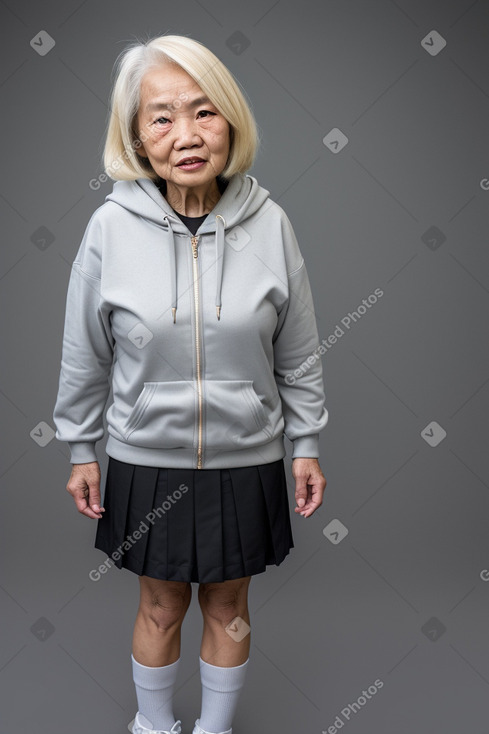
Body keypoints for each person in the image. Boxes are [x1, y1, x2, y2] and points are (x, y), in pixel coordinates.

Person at [52, 33, 328, 734]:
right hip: (148, 455)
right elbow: (84, 350)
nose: (185, 135)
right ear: (138, 138)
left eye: (204, 112)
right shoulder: (109, 227)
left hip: (248, 455)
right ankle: (153, 727)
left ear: (230, 121)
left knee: (229, 607)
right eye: (162, 117)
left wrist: (305, 442)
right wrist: (81, 448)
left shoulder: (272, 224)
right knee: (158, 605)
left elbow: (297, 348)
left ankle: (214, 729)